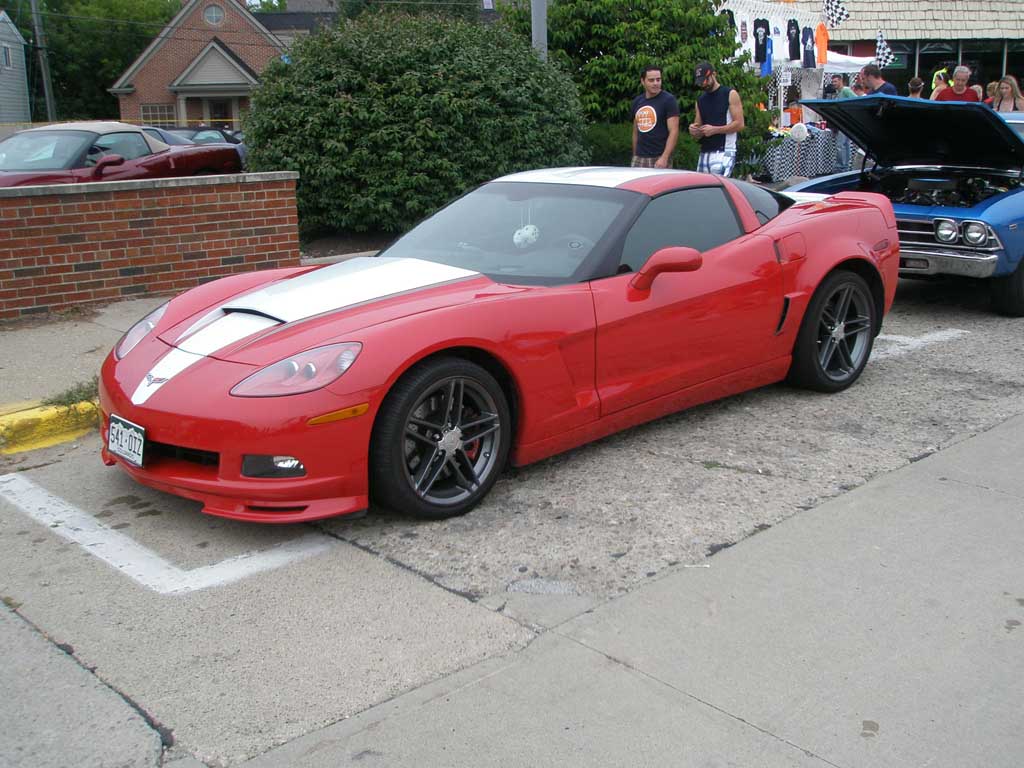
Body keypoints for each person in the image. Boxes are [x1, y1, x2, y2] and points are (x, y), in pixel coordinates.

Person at [689, 61, 744, 177]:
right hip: (705, 151)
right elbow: (698, 127)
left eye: (706, 80)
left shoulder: (729, 94)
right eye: (701, 82)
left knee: (718, 185)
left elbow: (739, 124)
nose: (704, 84)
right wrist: (694, 130)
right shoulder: (700, 100)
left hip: (724, 149)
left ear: (714, 74)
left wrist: (715, 130)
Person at [630, 65, 680, 168]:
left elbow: (674, 131)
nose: (656, 83)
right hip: (639, 157)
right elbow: (635, 130)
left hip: (659, 157)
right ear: (643, 81)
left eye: (658, 79)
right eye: (651, 80)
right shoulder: (637, 102)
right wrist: (635, 155)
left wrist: (665, 157)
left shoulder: (668, 100)